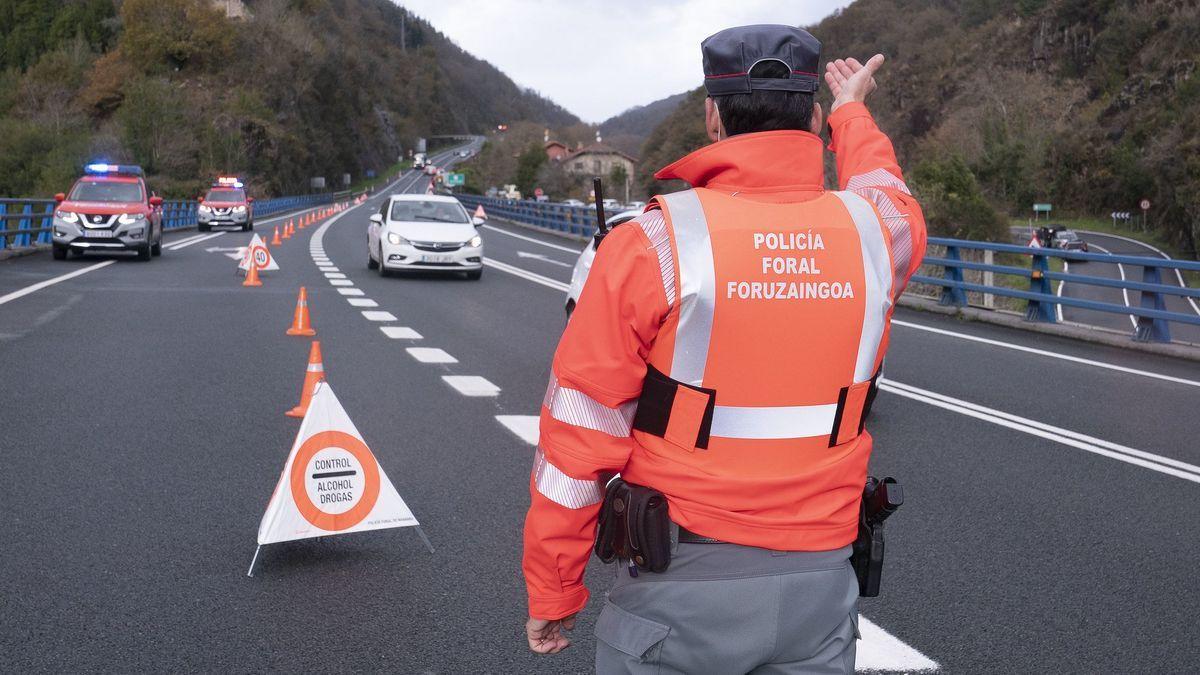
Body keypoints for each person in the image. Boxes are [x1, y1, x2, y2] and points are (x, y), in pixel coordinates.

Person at [521, 24, 927, 673]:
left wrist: (555, 585)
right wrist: (853, 110)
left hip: (679, 595)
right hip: (820, 593)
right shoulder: (876, 236)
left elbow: (578, 436)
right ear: (814, 118)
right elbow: (887, 188)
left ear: (712, 117)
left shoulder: (652, 243)